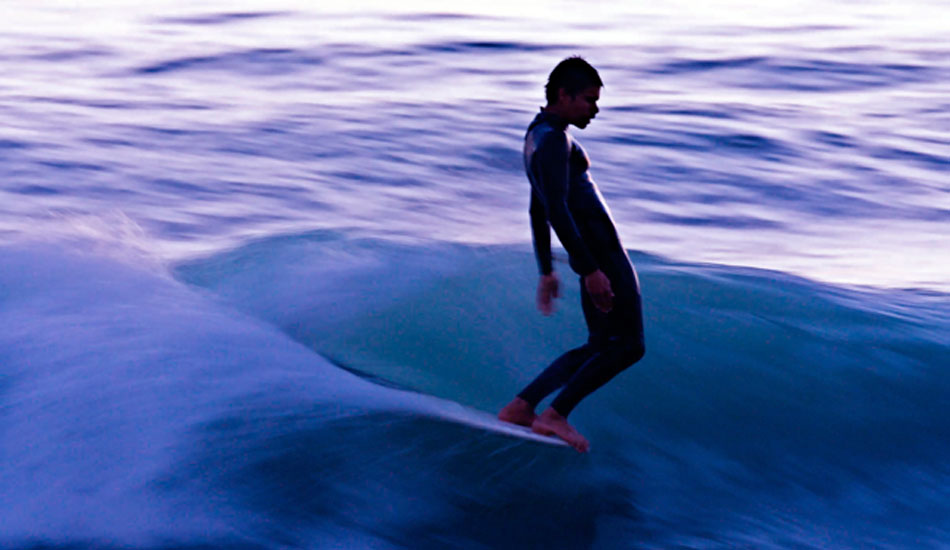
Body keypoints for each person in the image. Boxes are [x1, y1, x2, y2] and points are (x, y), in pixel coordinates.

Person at [498, 57, 645, 453]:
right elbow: (556, 209)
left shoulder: (536, 136)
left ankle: (522, 405)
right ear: (562, 95)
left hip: (593, 256)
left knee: (600, 344)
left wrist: (547, 269)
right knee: (629, 346)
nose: (595, 110)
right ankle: (555, 415)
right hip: (602, 256)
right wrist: (591, 270)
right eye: (588, 100)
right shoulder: (556, 141)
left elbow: (538, 207)